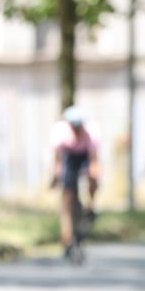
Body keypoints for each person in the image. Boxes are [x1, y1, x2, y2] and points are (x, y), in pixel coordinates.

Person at [50, 106, 99, 261]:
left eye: (79, 127)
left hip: (84, 155)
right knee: (67, 198)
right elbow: (57, 162)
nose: (77, 130)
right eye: (74, 127)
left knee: (92, 179)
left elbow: (93, 161)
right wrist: (55, 177)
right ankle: (67, 238)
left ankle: (90, 207)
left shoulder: (91, 133)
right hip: (69, 156)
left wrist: (93, 181)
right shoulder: (60, 133)